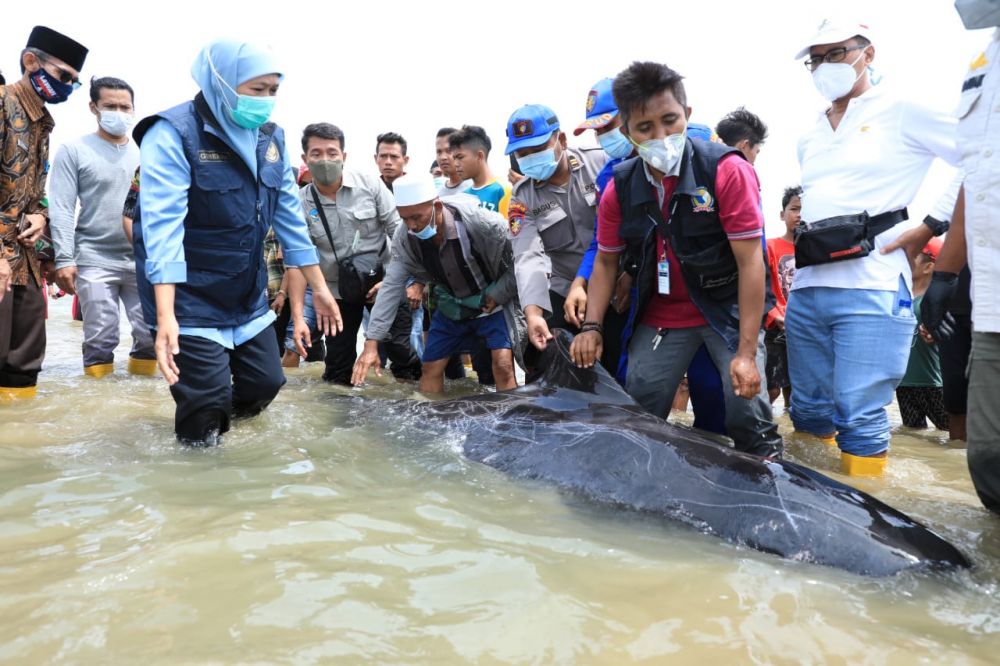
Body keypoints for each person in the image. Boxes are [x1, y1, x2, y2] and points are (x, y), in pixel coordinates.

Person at [131, 39, 341, 446]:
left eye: (272, 91)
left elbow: (291, 223)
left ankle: (220, 432)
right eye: (256, 90)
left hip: (245, 294)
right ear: (222, 83)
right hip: (188, 297)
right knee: (205, 400)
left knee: (266, 383)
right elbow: (162, 229)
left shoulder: (271, 139)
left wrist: (320, 288)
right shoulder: (172, 133)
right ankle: (198, 474)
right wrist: (165, 316)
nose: (265, 101)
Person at [569, 61, 782, 459]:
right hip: (663, 313)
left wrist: (747, 353)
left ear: (687, 114)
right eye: (644, 128)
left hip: (727, 310)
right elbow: (605, 262)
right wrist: (593, 327)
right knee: (638, 414)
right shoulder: (620, 187)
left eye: (670, 120)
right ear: (628, 131)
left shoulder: (727, 171)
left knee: (747, 412)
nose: (660, 135)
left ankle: (768, 473)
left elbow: (751, 263)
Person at [786, 19, 960, 476]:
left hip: (873, 287)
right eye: (816, 60)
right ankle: (811, 504)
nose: (825, 66)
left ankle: (867, 517)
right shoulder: (809, 133)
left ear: (869, 53)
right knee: (806, 412)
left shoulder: (901, 108)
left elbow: (981, 153)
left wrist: (929, 224)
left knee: (860, 417)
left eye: (837, 53)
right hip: (807, 289)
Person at [919, 0, 1000, 512]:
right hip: (991, 297)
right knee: (987, 454)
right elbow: (978, 176)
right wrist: (945, 274)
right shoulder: (984, 65)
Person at [350, 175, 522, 393]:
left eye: (417, 218)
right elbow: (392, 286)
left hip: (492, 303)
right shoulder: (405, 238)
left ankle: (511, 422)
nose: (412, 226)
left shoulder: (485, 224)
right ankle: (431, 420)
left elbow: (521, 262)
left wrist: (498, 293)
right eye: (405, 219)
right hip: (450, 304)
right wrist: (372, 341)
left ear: (437, 207)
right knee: (430, 368)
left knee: (504, 365)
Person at [285, 122, 421, 385]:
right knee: (337, 365)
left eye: (332, 153)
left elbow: (400, 233)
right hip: (335, 294)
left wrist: (398, 280)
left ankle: (414, 401)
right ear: (305, 159)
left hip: (383, 283)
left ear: (343, 156)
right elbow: (296, 262)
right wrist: (300, 318)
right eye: (316, 154)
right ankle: (340, 419)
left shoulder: (370, 185)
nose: (325, 160)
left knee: (400, 351)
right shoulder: (298, 203)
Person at [1, 26, 88, 401]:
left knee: (23, 367)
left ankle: (20, 453)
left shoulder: (43, 123)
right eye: (63, 76)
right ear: (30, 62)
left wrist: (41, 218)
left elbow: (33, 194)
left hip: (26, 262)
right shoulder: (2, 103)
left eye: (73, 81)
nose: (67, 85)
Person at [49, 76, 155, 378]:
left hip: (141, 259)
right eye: (110, 106)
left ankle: (140, 403)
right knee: (100, 336)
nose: (118, 112)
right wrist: (65, 259)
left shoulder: (147, 152)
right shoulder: (74, 150)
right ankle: (97, 398)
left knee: (150, 333)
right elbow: (62, 207)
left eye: (125, 107)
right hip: (93, 257)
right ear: (94, 107)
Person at [504, 104, 606, 351]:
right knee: (544, 358)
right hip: (565, 287)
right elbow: (527, 256)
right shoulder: (522, 197)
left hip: (614, 280)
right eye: (522, 154)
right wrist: (533, 312)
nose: (530, 158)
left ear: (561, 139)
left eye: (538, 149)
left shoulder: (600, 162)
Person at [563, 79, 633, 380]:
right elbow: (602, 241)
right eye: (598, 130)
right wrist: (580, 282)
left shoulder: (672, 156)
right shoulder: (610, 173)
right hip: (622, 288)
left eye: (609, 126)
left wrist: (632, 271)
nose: (604, 136)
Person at [896, 237, 949, 431]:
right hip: (904, 381)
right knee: (912, 433)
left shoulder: (936, 300)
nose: (907, 260)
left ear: (928, 267)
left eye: (914, 256)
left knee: (951, 432)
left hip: (932, 382)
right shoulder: (900, 294)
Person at [764, 186, 800, 406]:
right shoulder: (770, 246)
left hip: (804, 327)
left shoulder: (816, 250)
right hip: (775, 327)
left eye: (804, 210)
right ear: (782, 214)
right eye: (794, 209)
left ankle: (794, 438)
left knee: (796, 392)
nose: (799, 215)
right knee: (771, 388)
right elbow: (760, 286)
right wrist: (774, 314)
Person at [449, 125, 511, 216]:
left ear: (479, 156)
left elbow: (509, 229)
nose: (455, 164)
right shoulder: (463, 196)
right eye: (454, 158)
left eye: (460, 157)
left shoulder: (503, 190)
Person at [435, 127, 472, 197]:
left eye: (449, 151)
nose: (443, 157)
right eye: (439, 152)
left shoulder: (475, 189)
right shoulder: (436, 195)